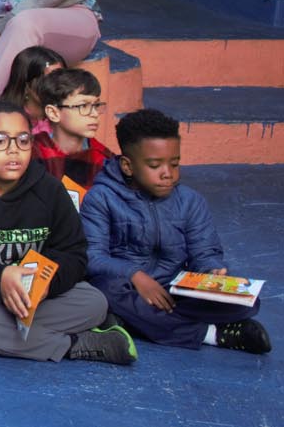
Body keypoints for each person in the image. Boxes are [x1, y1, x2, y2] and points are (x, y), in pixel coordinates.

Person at [0, 101, 137, 364]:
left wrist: (48, 284)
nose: (14, 150)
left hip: (32, 301)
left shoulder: (50, 189)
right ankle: (74, 345)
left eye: (23, 140)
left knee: (94, 303)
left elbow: (74, 254)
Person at [82, 109, 272, 354]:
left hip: (173, 290)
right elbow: (93, 257)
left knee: (246, 303)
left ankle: (141, 322)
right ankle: (211, 334)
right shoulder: (101, 198)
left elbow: (205, 253)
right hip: (129, 288)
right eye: (155, 165)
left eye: (174, 164)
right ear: (128, 166)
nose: (167, 173)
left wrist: (213, 272)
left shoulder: (190, 201)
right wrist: (135, 275)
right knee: (105, 292)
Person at [31, 68, 113, 191]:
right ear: (53, 113)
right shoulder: (33, 152)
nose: (95, 113)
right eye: (83, 105)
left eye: (96, 105)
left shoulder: (104, 158)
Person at [0, 45, 67, 122]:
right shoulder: (5, 119)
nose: (57, 84)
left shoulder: (68, 116)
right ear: (25, 85)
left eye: (61, 77)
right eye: (47, 79)